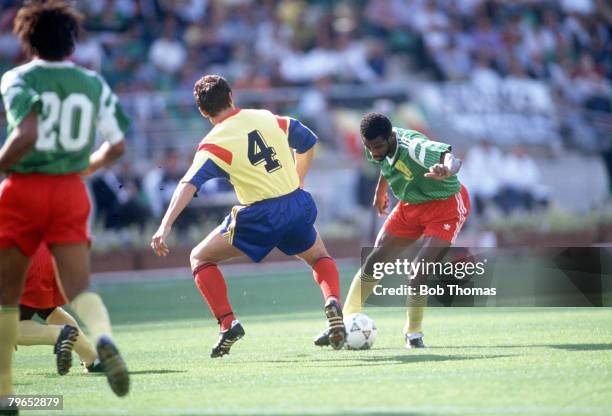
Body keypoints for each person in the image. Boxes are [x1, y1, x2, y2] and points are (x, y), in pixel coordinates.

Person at [150, 74, 346, 358]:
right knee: (318, 256)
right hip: (296, 203)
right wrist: (298, 179)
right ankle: (332, 302)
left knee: (200, 257)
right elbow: (307, 141)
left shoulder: (212, 143)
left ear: (203, 112)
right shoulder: (266, 117)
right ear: (231, 96)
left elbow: (188, 184)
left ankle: (228, 323)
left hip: (261, 215)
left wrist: (164, 226)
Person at [0, 2, 130, 408]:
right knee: (79, 288)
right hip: (71, 189)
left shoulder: (18, 78)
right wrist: (84, 166)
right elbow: (118, 145)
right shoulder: (92, 82)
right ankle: (103, 338)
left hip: (24, 188)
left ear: (26, 40)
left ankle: (5, 393)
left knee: (7, 297)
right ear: (72, 41)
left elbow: (26, 135)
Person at [315, 112, 470, 348]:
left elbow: (452, 158)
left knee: (419, 270)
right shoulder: (374, 144)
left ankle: (413, 334)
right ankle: (341, 326)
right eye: (369, 147)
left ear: (391, 137)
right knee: (374, 261)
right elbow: (385, 163)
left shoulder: (413, 147)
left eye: (378, 146)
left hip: (445, 206)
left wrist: (447, 170)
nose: (373, 152)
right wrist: (381, 190)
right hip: (410, 204)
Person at [17, 242, 103, 376]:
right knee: (47, 310)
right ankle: (93, 359)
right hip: (51, 255)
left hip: (27, 262)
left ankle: (60, 334)